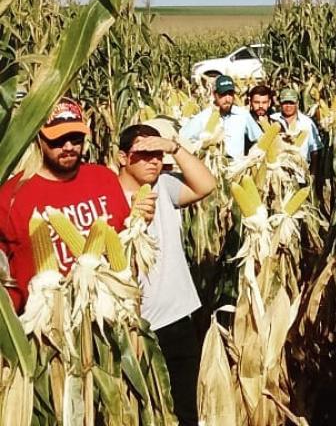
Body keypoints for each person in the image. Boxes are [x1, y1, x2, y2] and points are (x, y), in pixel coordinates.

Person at [0, 98, 152, 311]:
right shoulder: (10, 197)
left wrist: (140, 221)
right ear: (38, 138)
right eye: (58, 140)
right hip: (50, 320)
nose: (69, 147)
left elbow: (123, 244)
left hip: (110, 309)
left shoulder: (104, 178)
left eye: (76, 138)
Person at [117, 121, 216, 426]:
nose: (153, 161)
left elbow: (206, 185)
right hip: (134, 326)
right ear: (122, 158)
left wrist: (173, 147)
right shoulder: (106, 195)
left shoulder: (164, 186)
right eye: (143, 154)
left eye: (158, 155)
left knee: (185, 410)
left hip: (177, 317)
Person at [179, 75, 261, 157]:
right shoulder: (203, 117)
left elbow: (260, 139)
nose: (227, 99)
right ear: (214, 94)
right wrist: (200, 146)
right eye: (223, 94)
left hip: (237, 163)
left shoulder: (243, 115)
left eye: (230, 94)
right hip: (212, 163)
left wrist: (251, 157)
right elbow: (182, 139)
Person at [270, 87, 323, 171]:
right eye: (285, 103)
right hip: (277, 170)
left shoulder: (307, 123)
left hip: (301, 169)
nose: (288, 106)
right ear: (280, 103)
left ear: (297, 103)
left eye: (291, 103)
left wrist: (313, 174)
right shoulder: (272, 119)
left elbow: (315, 150)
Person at [245, 83, 276, 153]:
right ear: (250, 102)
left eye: (264, 102)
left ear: (269, 103)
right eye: (256, 102)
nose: (260, 106)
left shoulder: (277, 122)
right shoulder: (244, 123)